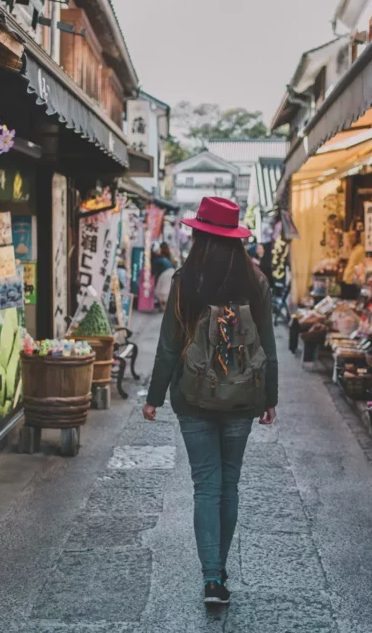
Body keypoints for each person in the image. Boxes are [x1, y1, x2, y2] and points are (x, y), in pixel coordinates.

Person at [142, 197, 278, 606]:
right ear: (237, 239)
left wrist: (154, 398)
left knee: (206, 485)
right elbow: (268, 347)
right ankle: (219, 567)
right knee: (230, 483)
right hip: (243, 398)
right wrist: (270, 397)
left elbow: (168, 348)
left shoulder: (187, 281)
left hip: (193, 396)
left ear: (200, 235)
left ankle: (212, 578)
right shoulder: (256, 282)